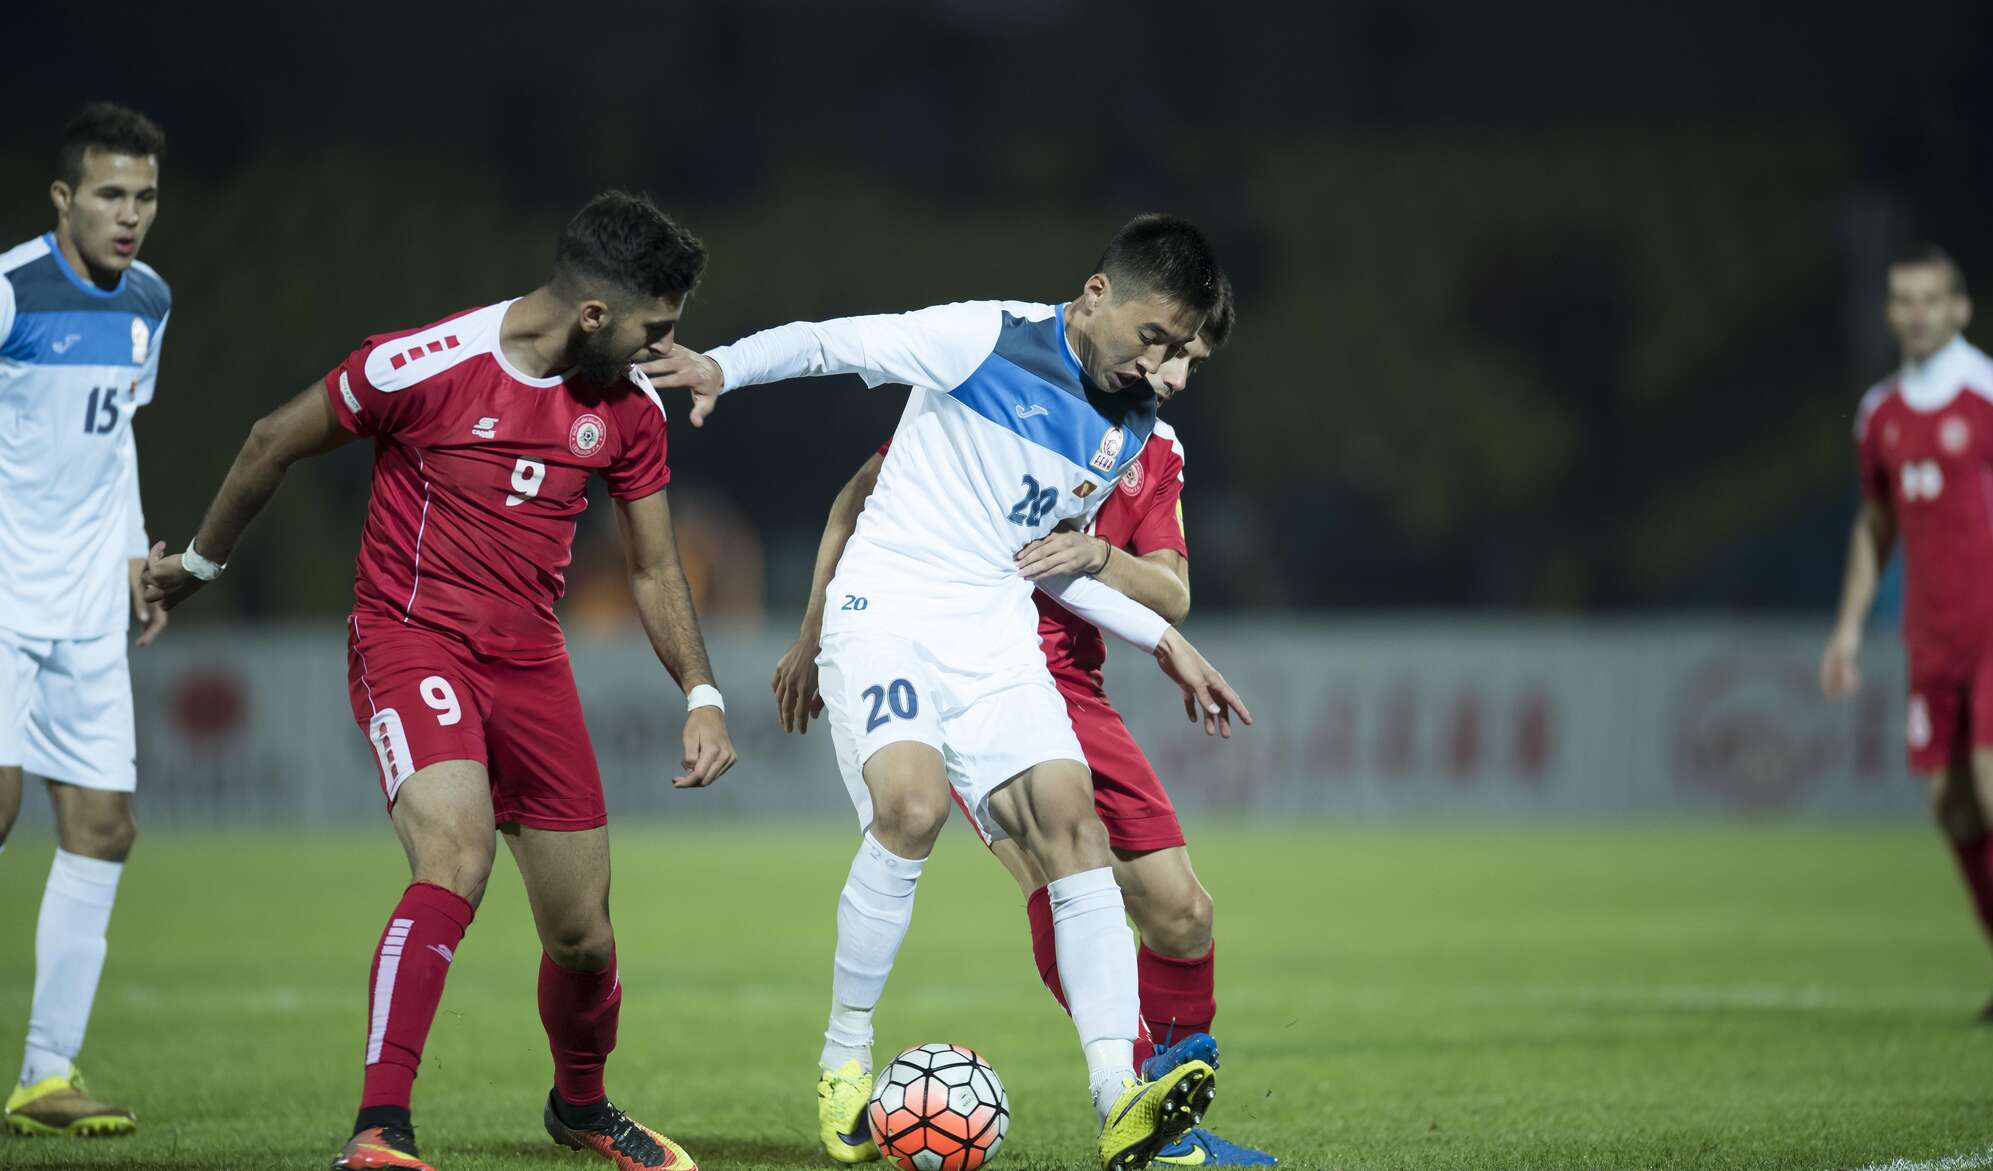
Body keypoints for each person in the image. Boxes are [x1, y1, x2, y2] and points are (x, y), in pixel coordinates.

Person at [141, 192, 736, 1170]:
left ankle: (580, 1108)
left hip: (530, 663)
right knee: (456, 855)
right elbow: (269, 439)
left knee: (584, 934)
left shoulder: (626, 408)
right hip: (411, 642)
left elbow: (653, 567)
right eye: (653, 329)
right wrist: (199, 567)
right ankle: (380, 1127)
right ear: (593, 314)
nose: (663, 350)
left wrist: (702, 695)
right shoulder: (418, 366)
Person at [646, 213, 1250, 1171]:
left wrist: (1160, 635)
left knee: (1072, 821)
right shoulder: (986, 337)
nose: (1161, 366)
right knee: (914, 807)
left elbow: (1042, 558)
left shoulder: (1128, 427)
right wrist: (723, 364)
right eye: (1152, 339)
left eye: (1177, 351)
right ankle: (845, 1059)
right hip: (886, 609)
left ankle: (1119, 1098)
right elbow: (833, 342)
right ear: (1098, 295)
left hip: (993, 628)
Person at [1821, 243, 1993, 1026]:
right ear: (1889, 311)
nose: (1916, 312)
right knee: (1950, 808)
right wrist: (1849, 627)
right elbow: (1875, 520)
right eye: (1902, 299)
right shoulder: (1879, 414)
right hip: (1932, 642)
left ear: (1961, 307)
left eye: (1931, 298)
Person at [2, 101, 172, 1139]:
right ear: (63, 197)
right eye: (110, 194)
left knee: (104, 826)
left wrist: (131, 557)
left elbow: (118, 443)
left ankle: (43, 1075)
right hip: (3, 593)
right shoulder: (13, 288)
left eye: (145, 197)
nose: (130, 216)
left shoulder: (149, 296)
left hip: (84, 608)